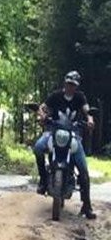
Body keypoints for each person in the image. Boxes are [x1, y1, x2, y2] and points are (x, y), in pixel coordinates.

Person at [34, 70, 96, 219]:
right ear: (65, 83)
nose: (70, 87)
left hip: (74, 134)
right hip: (53, 131)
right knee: (38, 148)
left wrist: (90, 119)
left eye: (73, 84)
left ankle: (86, 206)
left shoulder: (80, 97)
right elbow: (43, 107)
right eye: (68, 83)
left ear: (77, 86)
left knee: (83, 169)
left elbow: (87, 110)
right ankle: (43, 179)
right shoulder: (55, 96)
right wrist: (41, 115)